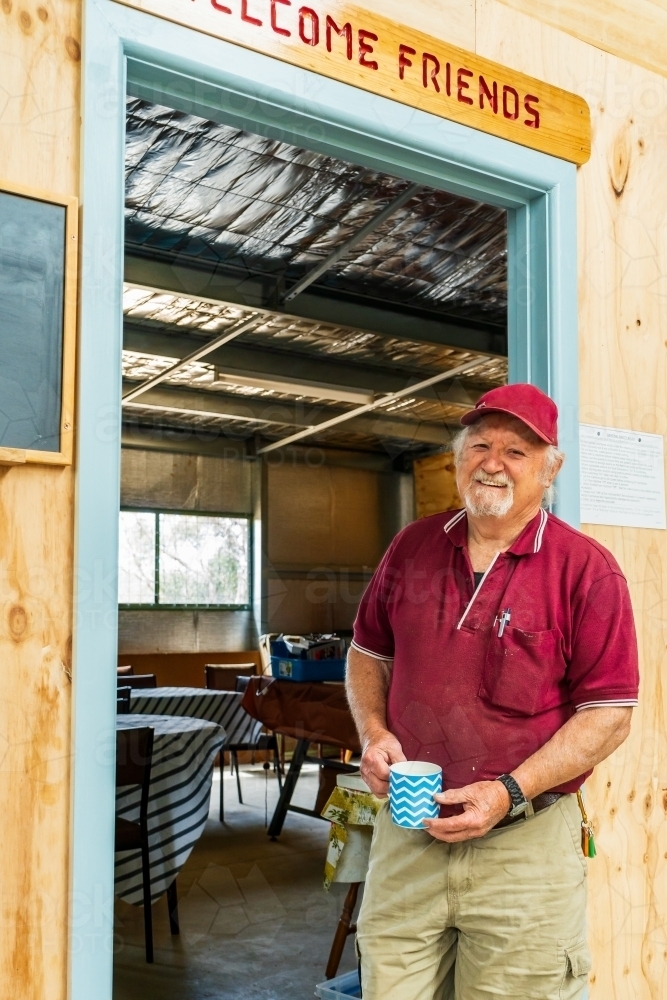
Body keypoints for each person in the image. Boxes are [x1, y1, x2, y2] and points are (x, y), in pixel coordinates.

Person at [346, 383, 639, 1000]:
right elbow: (367, 653)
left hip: (524, 850)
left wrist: (509, 791)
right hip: (408, 836)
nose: (493, 463)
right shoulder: (412, 547)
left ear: (549, 470)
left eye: (517, 451)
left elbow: (609, 715)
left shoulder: (586, 569)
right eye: (479, 446)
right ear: (457, 461)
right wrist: (373, 732)